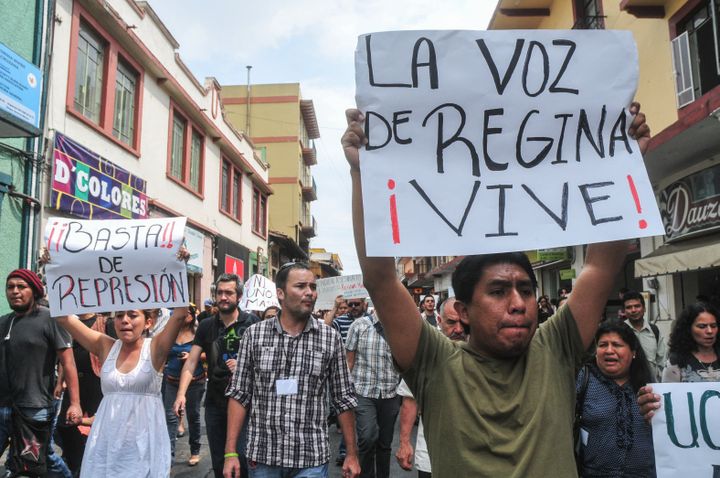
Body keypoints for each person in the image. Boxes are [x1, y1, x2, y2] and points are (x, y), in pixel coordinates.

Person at [341, 103, 650, 476]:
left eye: (525, 289)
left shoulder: (556, 348)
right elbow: (380, 279)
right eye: (499, 291)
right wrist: (363, 173)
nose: (518, 303)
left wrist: (626, 162)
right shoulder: (437, 364)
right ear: (464, 310)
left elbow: (600, 265)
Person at [223, 262, 360, 478]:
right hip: (263, 457)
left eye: (313, 287)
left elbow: (343, 398)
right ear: (280, 293)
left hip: (311, 458)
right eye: (301, 286)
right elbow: (239, 395)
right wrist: (230, 452)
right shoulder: (254, 335)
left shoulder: (329, 338)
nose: (309, 293)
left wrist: (351, 453)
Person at [173, 274, 259, 478]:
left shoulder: (253, 323)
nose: (223, 297)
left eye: (228, 293)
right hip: (215, 404)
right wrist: (181, 394)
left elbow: (268, 362)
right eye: (219, 293)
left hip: (246, 405)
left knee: (244, 462)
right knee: (220, 463)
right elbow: (192, 361)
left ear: (238, 296)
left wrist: (244, 365)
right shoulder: (206, 326)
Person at [1, 268, 80, 478]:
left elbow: (68, 362)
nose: (15, 291)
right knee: (22, 460)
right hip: (3, 405)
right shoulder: (3, 322)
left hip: (34, 406)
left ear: (34, 291)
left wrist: (75, 403)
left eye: (21, 287)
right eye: (10, 287)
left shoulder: (51, 319)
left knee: (39, 457)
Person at [395, 296, 465, 478]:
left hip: (472, 456)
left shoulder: (482, 347)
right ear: (440, 321)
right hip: (431, 454)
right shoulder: (426, 350)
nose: (458, 329)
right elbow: (410, 400)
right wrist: (404, 442)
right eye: (451, 322)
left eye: (462, 322)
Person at [576, 320, 655, 477]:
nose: (609, 350)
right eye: (603, 345)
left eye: (617, 345)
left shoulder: (649, 385)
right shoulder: (583, 381)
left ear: (633, 352)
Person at [346, 310, 401, 478]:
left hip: (390, 392)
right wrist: (344, 390)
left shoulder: (399, 326)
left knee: (385, 444)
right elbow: (349, 360)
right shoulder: (359, 325)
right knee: (368, 437)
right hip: (363, 391)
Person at [56, 312, 105, 477]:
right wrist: (60, 381)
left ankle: (90, 465)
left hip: (96, 383)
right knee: (65, 426)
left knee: (96, 427)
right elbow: (65, 357)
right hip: (74, 385)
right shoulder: (70, 324)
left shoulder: (105, 323)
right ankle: (75, 461)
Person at [162, 303, 205, 466]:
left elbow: (209, 353)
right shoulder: (170, 333)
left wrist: (193, 357)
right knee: (170, 417)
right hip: (172, 380)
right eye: (182, 312)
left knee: (193, 417)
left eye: (189, 312)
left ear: (193, 315)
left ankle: (195, 450)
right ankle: (169, 455)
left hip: (195, 382)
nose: (186, 314)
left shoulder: (198, 333)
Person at [662, 302, 720, 382]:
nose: (710, 331)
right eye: (702, 326)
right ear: (688, 329)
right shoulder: (676, 361)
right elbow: (667, 392)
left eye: (713, 326)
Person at [623, 290, 667, 381]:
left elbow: (662, 361)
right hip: (627, 386)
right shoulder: (619, 331)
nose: (633, 310)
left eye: (637, 306)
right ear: (624, 311)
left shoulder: (654, 330)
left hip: (652, 385)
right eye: (629, 307)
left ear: (644, 308)